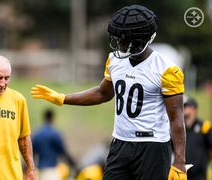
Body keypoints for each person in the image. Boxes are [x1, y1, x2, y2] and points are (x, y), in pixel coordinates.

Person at [31, 5, 187, 180]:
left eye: (124, 39)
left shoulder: (166, 69)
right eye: (118, 37)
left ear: (141, 40)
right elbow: (102, 93)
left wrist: (180, 161)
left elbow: (176, 118)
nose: (119, 43)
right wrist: (63, 98)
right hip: (120, 142)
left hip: (153, 146)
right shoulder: (114, 60)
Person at [32, 108, 75, 180]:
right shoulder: (55, 134)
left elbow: (32, 153)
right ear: (52, 118)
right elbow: (63, 152)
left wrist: (27, 168)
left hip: (40, 171)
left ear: (44, 117)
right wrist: (72, 163)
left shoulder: (37, 134)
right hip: (51, 171)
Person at [184, 97, 212, 180]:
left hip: (200, 174)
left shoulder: (204, 127)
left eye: (185, 106)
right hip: (184, 173)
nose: (183, 108)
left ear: (193, 108)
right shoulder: (181, 129)